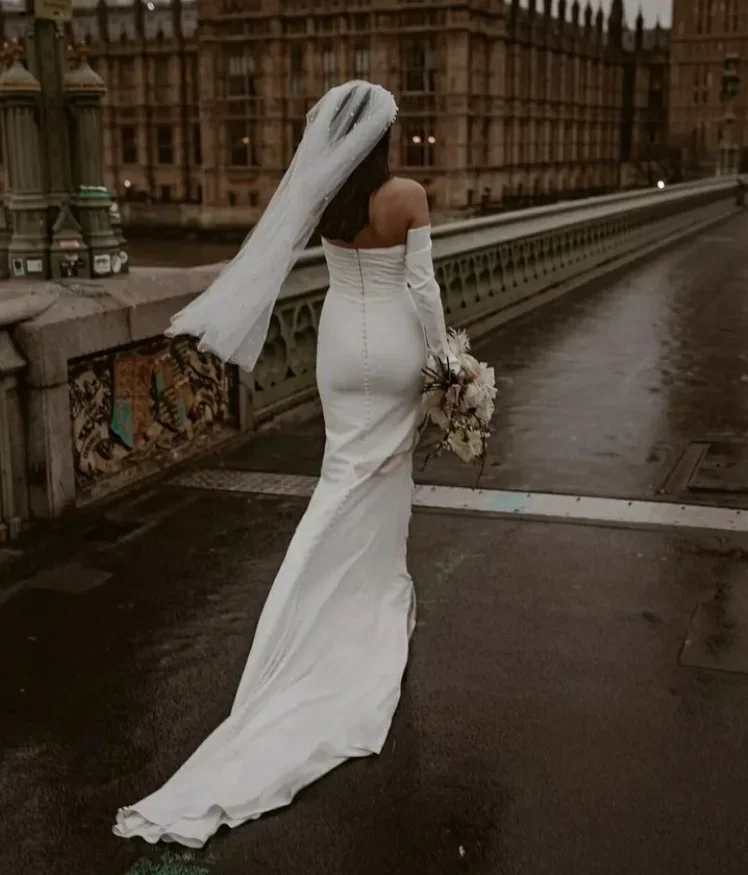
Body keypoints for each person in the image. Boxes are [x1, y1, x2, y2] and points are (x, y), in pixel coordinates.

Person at [113, 80, 456, 849]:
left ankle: (310, 615)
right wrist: (449, 362)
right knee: (385, 481)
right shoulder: (407, 194)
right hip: (397, 349)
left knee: (338, 482)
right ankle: (370, 601)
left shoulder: (328, 195)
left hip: (339, 350)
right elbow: (423, 290)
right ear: (386, 139)